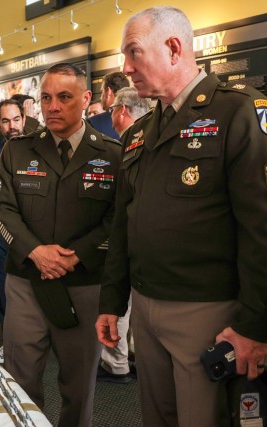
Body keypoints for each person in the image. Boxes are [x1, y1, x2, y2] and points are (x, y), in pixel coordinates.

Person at [95, 7, 267, 427]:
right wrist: (112, 301)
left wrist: (255, 325)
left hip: (206, 312)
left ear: (174, 48)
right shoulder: (141, 133)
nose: (125, 68)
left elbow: (265, 229)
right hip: (145, 309)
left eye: (133, 53)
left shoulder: (238, 112)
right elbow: (124, 225)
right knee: (157, 417)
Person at [0, 63, 121, 427]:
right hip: (26, 283)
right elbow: (0, 207)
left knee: (79, 387)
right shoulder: (17, 151)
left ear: (86, 99)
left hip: (83, 285)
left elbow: (119, 218)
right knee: (21, 382)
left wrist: (76, 254)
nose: (53, 107)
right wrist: (35, 251)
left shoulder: (112, 154)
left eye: (64, 97)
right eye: (46, 98)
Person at [97, 86, 152, 384]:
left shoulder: (126, 147)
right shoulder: (150, 142)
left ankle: (116, 363)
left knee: (119, 305)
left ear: (121, 111)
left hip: (125, 244)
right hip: (145, 247)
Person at [0, 98, 26, 364]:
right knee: (5, 287)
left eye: (16, 119)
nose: (12, 126)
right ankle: (9, 341)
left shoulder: (37, 148)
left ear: (23, 119)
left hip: (35, 231)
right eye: (5, 121)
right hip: (2, 232)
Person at [88, 71, 130, 139]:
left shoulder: (93, 123)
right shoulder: (138, 120)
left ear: (108, 91)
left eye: (102, 92)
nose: (101, 97)